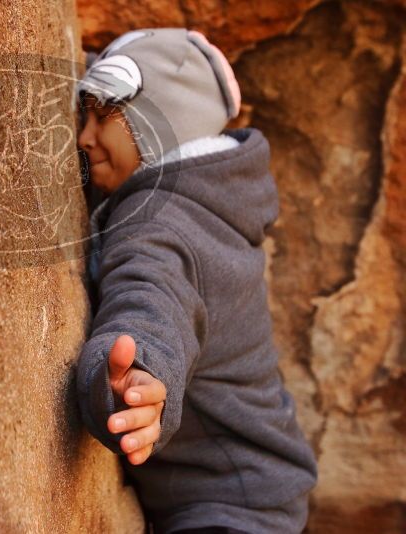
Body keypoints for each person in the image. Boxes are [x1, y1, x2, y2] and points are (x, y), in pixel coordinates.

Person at [74, 28, 318, 534]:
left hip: (232, 507)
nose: (83, 138)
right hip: (256, 486)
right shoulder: (206, 199)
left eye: (103, 118)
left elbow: (154, 301)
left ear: (155, 131)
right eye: (84, 115)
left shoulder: (160, 223)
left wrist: (137, 376)